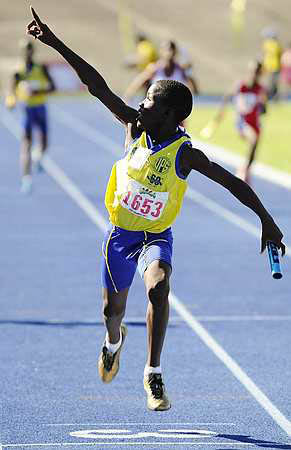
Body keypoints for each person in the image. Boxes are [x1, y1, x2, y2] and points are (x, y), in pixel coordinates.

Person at [26, 7, 285, 412]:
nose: (140, 104)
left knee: (159, 287)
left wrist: (267, 221)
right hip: (120, 236)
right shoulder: (133, 126)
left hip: (156, 237)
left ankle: (153, 373)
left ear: (169, 115)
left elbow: (233, 183)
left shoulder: (186, 155)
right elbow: (96, 85)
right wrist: (54, 41)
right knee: (113, 312)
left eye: (148, 101)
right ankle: (114, 343)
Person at [5, 39, 56, 194]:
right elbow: (10, 91)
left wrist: (38, 92)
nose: (27, 52)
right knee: (26, 143)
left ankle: (38, 157)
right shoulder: (18, 72)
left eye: (29, 49)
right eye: (25, 50)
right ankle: (27, 179)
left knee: (45, 142)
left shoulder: (41, 68)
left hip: (40, 108)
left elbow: (53, 87)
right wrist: (11, 101)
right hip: (27, 110)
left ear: (33, 51)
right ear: (22, 52)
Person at [213, 60, 267, 185]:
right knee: (253, 139)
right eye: (253, 71)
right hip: (243, 122)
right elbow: (228, 97)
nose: (254, 74)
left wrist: (262, 105)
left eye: (257, 72)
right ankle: (244, 170)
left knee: (254, 145)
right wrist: (220, 114)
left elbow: (264, 108)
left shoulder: (260, 89)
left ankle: (246, 169)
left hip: (254, 123)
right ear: (249, 71)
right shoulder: (241, 85)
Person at [124, 40, 199, 102]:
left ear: (175, 52)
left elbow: (191, 83)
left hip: (173, 110)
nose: (169, 52)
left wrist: (197, 97)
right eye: (166, 49)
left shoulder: (179, 69)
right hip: (156, 108)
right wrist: (128, 96)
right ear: (161, 51)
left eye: (171, 49)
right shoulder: (154, 68)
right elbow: (138, 82)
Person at [261, 28, 282, 100]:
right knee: (272, 83)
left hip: (272, 66)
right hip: (271, 66)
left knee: (272, 83)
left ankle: (272, 96)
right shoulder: (273, 44)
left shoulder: (269, 44)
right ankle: (271, 96)